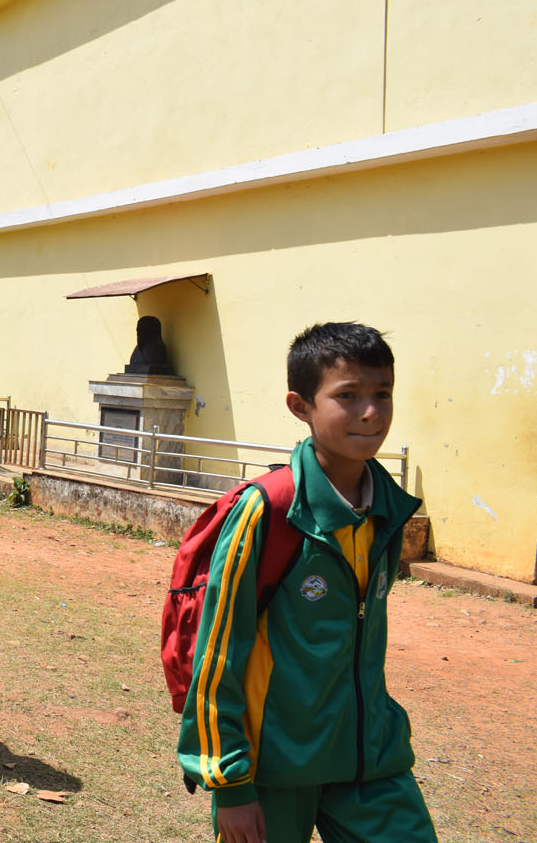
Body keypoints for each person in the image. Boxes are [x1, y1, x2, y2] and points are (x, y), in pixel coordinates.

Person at [177, 323, 435, 843]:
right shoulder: (268, 509)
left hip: (369, 759)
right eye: (348, 396)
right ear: (301, 407)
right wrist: (230, 783)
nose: (371, 412)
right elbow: (219, 651)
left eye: (383, 394)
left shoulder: (386, 507)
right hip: (272, 767)